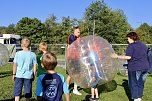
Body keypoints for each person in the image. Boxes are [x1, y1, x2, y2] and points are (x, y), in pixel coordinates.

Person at [111, 32, 149, 101]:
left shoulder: (131, 46)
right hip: (145, 67)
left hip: (135, 68)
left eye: (128, 38)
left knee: (133, 84)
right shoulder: (144, 45)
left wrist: (117, 56)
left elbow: (128, 57)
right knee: (140, 83)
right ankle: (139, 98)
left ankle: (135, 99)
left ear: (131, 38)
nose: (127, 40)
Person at [66, 26, 82, 95]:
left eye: (79, 32)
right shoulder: (72, 36)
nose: (79, 33)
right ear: (74, 31)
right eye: (78, 32)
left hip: (76, 58)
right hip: (72, 58)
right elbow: (75, 45)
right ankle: (66, 89)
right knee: (70, 74)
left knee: (77, 74)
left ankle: (75, 89)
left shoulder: (77, 38)